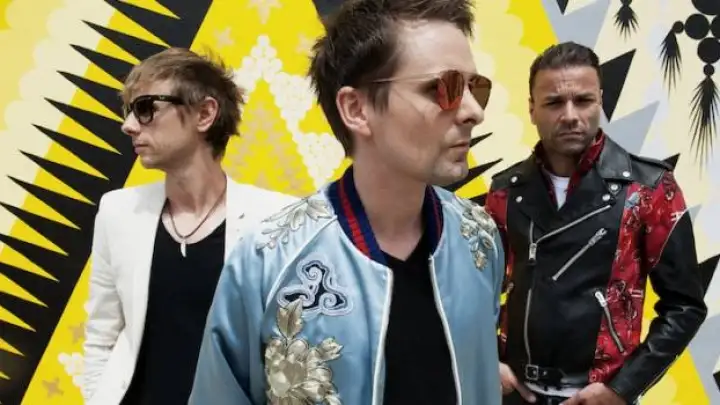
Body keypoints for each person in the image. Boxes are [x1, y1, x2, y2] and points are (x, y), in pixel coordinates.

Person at [188, 0, 505, 404]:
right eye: (443, 88)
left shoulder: (478, 238)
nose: (474, 112)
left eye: (476, 87)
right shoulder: (268, 259)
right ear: (356, 109)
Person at [485, 42, 708, 405]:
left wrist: (622, 388)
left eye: (583, 100)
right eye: (554, 102)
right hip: (515, 393)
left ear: (600, 101)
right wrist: (488, 360)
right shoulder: (504, 192)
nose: (570, 115)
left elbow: (684, 307)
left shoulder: (649, 189)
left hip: (601, 395)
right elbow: (477, 292)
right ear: (531, 109)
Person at [81, 47, 297, 405]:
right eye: (129, 111)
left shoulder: (276, 219)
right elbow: (101, 335)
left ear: (205, 114)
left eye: (145, 108)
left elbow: (293, 346)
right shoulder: (118, 212)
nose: (129, 125)